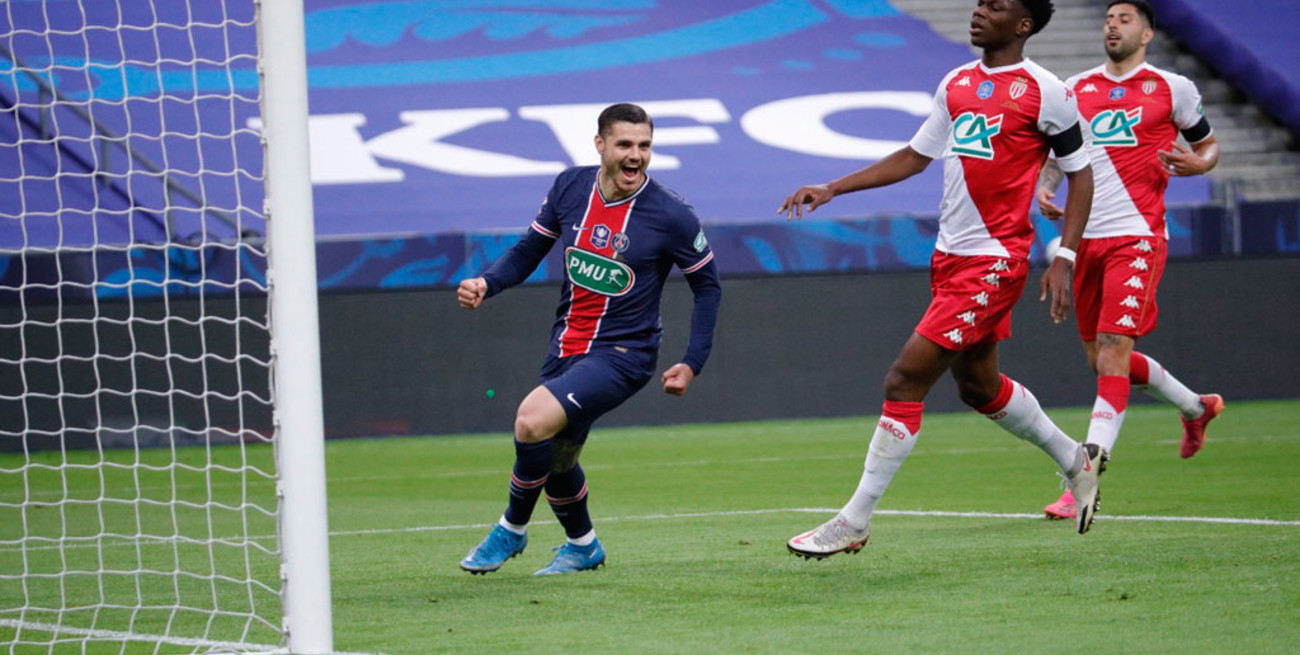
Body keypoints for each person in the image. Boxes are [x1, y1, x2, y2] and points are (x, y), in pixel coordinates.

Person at [780, 0, 1104, 558]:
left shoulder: (1047, 90)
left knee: (904, 379)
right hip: (949, 258)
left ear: (1023, 25)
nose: (979, 11)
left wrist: (1066, 257)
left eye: (996, 5)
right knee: (979, 387)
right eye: (979, 3)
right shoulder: (956, 82)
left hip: (994, 261)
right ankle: (1078, 460)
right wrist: (834, 187)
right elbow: (914, 157)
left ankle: (854, 521)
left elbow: (1082, 175)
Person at [455, 103, 721, 575]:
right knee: (557, 458)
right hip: (566, 346)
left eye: (644, 146)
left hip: (625, 354)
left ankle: (511, 529)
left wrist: (692, 360)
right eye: (625, 144)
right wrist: (487, 283)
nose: (636, 155)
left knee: (531, 421)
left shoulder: (671, 215)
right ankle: (583, 545)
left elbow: (708, 286)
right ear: (600, 145)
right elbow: (529, 249)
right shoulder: (570, 187)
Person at [1035, 0, 1223, 520]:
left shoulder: (1172, 88)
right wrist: (1045, 187)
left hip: (1137, 235)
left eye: (1124, 19)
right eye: (1108, 19)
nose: (1112, 25)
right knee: (1100, 360)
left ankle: (1083, 480)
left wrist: (1200, 163)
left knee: (1114, 353)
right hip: (1085, 239)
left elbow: (1209, 146)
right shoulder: (1075, 89)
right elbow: (1059, 157)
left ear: (1146, 34)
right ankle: (1197, 406)